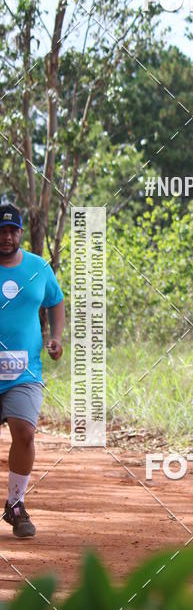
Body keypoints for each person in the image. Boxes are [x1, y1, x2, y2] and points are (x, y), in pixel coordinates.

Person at [0, 203, 65, 538]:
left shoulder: (39, 268)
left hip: (24, 372)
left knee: (25, 433)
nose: (6, 237)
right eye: (1, 231)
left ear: (21, 233)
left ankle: (15, 504)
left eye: (12, 231)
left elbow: (56, 301)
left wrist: (56, 337)